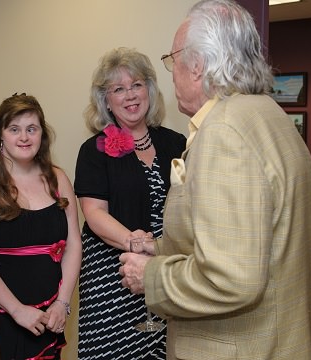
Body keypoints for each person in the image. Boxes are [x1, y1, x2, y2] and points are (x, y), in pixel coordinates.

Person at [118, 1, 311, 359]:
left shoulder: (225, 130)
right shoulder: (270, 115)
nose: (172, 72)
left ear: (197, 66)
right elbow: (250, 239)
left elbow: (232, 278)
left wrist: (151, 275)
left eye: (173, 60)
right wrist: (162, 248)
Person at [74, 47, 186, 359]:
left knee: (163, 351)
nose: (130, 95)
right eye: (118, 89)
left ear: (149, 89)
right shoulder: (93, 150)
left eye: (136, 85)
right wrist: (133, 242)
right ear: (105, 100)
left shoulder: (176, 143)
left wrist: (159, 250)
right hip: (111, 274)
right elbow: (94, 213)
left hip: (164, 266)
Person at [0, 93, 81, 359]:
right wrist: (17, 309)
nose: (24, 137)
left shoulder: (57, 178)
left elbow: (73, 243)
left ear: (42, 134)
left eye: (31, 129)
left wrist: (62, 303)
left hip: (48, 320)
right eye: (14, 129)